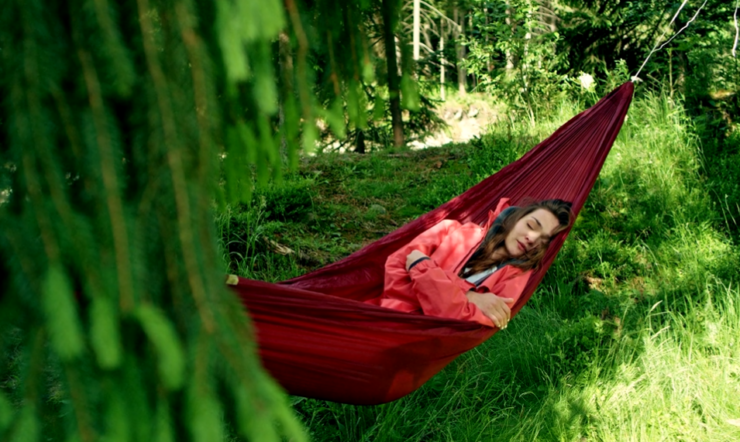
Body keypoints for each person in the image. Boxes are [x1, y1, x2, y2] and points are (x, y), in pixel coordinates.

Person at [366, 198, 573, 328]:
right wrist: (468, 295)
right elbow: (396, 268)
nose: (532, 238)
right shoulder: (451, 231)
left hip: (416, 346)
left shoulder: (514, 279)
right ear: (515, 218)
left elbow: (458, 321)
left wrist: (421, 269)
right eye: (530, 225)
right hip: (378, 317)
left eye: (543, 240)